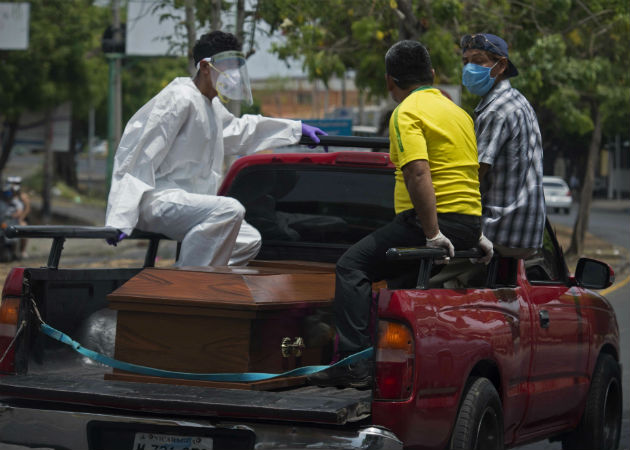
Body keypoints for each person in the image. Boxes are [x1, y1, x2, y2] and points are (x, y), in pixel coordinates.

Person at [309, 40, 492, 388]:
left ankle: (354, 366)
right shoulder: (459, 114)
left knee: (352, 266)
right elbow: (469, 175)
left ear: (389, 81)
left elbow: (418, 173)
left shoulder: (406, 112)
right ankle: (399, 367)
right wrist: (475, 231)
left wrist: (433, 232)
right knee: (400, 286)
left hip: (433, 224)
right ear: (433, 75)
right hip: (467, 221)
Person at [105, 31, 326, 266]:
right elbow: (140, 155)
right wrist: (121, 215)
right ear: (205, 67)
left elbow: (242, 131)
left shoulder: (211, 106)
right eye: (227, 67)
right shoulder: (178, 99)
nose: (233, 75)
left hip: (188, 203)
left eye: (236, 68)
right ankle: (186, 287)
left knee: (248, 239)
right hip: (158, 200)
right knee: (230, 210)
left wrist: (294, 129)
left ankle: (199, 281)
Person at [461, 33, 545, 257]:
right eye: (466, 62)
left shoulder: (496, 109)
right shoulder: (517, 100)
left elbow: (474, 176)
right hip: (525, 233)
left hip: (500, 230)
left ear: (501, 66)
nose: (469, 68)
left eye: (478, 61)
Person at [7, 176, 30, 259]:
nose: (13, 185)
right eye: (12, 183)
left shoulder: (23, 196)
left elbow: (27, 209)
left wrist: (21, 218)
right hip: (8, 219)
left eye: (16, 184)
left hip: (20, 219)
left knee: (24, 229)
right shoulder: (6, 195)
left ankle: (23, 250)